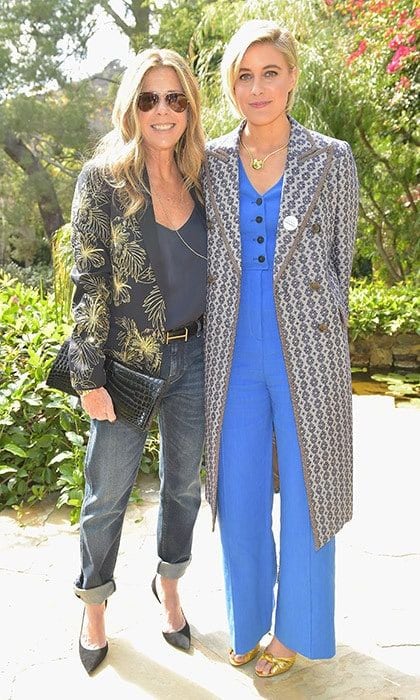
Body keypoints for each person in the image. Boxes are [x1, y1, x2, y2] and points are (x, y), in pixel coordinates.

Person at [202, 20, 359, 678]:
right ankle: (247, 623)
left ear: (292, 77)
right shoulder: (207, 161)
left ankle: (295, 633)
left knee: (307, 492)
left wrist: (315, 317)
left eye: (270, 72)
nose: (258, 87)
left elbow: (339, 260)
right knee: (235, 494)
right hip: (231, 353)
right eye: (244, 75)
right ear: (231, 86)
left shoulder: (332, 157)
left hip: (310, 351)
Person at [69, 48, 206, 673]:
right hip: (125, 368)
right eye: (149, 97)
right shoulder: (103, 177)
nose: (162, 110)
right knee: (107, 494)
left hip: (198, 357)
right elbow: (87, 280)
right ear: (131, 105)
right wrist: (87, 375)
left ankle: (169, 584)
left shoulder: (205, 173)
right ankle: (94, 602)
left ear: (189, 107)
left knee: (183, 487)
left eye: (174, 98)